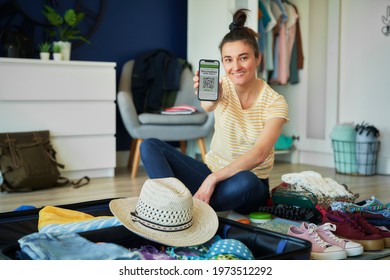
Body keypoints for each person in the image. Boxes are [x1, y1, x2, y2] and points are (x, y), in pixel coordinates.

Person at [140, 8, 289, 214]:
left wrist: (213, 179)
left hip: (245, 184)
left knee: (248, 180)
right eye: (228, 59)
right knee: (150, 146)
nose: (235, 66)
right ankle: (175, 204)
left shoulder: (275, 102)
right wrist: (213, 97)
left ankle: (187, 205)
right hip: (210, 172)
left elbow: (259, 154)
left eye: (243, 58)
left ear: (258, 58)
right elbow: (207, 106)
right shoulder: (222, 86)